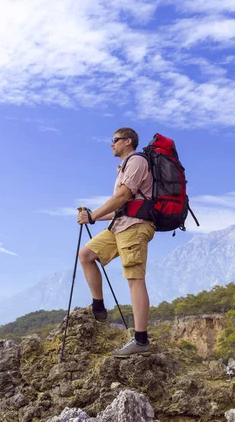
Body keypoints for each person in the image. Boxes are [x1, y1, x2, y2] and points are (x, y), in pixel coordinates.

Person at [77, 127, 155, 357]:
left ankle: (141, 340)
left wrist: (92, 217)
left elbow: (122, 197)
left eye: (115, 140)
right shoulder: (124, 166)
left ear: (128, 141)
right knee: (86, 255)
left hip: (135, 227)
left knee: (134, 278)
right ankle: (99, 308)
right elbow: (122, 208)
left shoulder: (137, 161)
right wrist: (92, 217)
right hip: (121, 225)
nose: (111, 144)